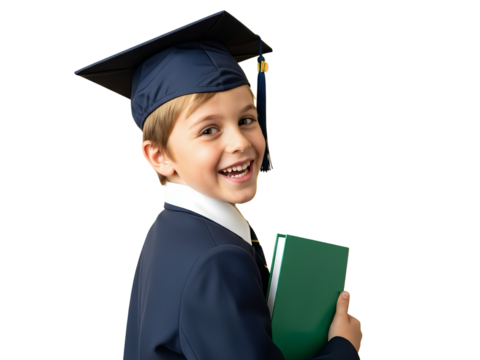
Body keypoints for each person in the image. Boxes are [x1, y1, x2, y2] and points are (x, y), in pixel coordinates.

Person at [73, 10, 364, 360]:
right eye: (209, 130)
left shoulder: (171, 227)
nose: (239, 142)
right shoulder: (218, 261)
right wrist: (343, 348)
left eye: (246, 119)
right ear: (159, 155)